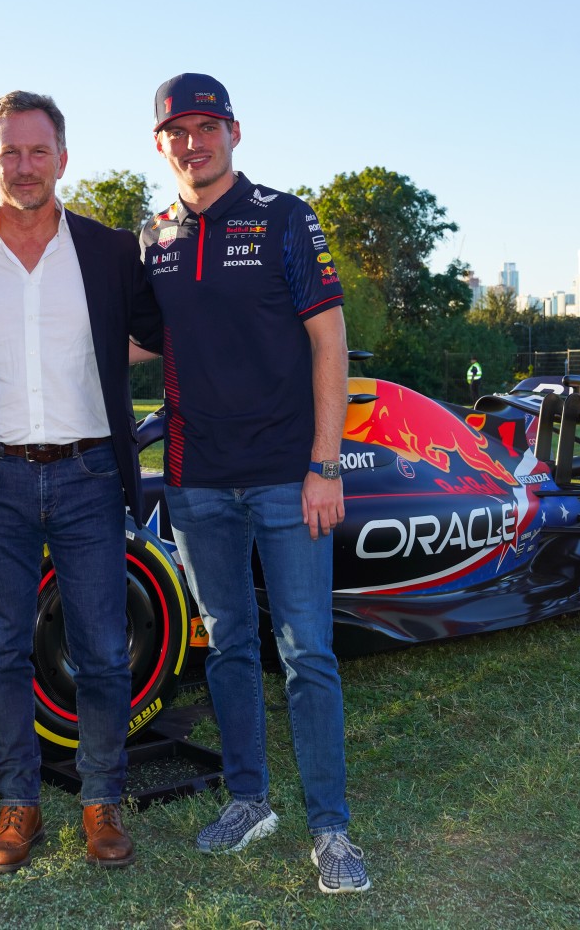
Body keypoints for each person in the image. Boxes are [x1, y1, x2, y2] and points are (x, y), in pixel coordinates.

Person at [0, 91, 161, 873]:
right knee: (2, 650)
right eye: (8, 153)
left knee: (101, 652)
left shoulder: (112, 250)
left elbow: (159, 333)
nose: (23, 166)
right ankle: (18, 804)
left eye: (37, 151)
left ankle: (99, 803)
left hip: (89, 473)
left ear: (62, 157)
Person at [138, 73, 370, 894]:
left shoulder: (284, 216)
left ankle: (332, 829)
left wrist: (324, 463)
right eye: (178, 130)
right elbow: (137, 343)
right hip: (196, 480)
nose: (193, 142)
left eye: (208, 127)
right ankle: (248, 801)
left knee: (308, 652)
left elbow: (329, 341)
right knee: (227, 646)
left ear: (234, 132)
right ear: (160, 142)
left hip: (287, 477)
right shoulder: (155, 232)